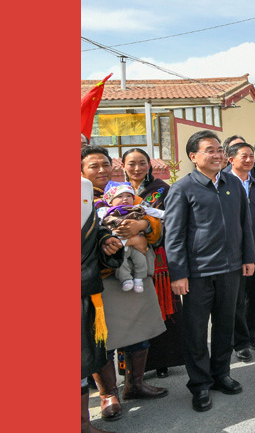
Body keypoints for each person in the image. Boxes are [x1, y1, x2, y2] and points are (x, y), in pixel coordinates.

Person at [165, 131, 255, 412]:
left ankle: (221, 374)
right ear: (194, 157)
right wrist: (178, 274)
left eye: (219, 150)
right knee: (195, 331)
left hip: (230, 269)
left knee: (225, 326)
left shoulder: (233, 184)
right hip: (197, 273)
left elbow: (245, 224)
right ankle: (200, 384)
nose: (217, 155)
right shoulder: (182, 189)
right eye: (210, 150)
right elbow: (174, 235)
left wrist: (248, 257)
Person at [82, 146, 168, 422]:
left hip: (136, 275)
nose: (102, 170)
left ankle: (135, 384)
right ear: (81, 171)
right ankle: (109, 393)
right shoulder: (80, 200)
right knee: (103, 337)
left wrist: (142, 228)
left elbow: (154, 223)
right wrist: (126, 240)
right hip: (102, 278)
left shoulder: (127, 194)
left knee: (139, 332)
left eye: (105, 164)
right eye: (94, 166)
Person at [121, 147, 185, 379]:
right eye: (131, 163)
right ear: (123, 166)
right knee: (131, 311)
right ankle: (133, 368)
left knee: (162, 309)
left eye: (142, 163)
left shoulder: (161, 190)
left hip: (158, 258)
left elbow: (175, 220)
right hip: (126, 259)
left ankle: (163, 361)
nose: (137, 168)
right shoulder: (118, 191)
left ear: (149, 165)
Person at [223, 142, 255, 362]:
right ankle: (239, 342)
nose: (249, 160)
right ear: (230, 159)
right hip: (235, 251)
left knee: (254, 296)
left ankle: (252, 334)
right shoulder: (223, 184)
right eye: (244, 156)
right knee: (237, 299)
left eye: (251, 156)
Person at [82, 176, 124, 433]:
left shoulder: (83, 186)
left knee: (83, 356)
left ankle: (82, 423)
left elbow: (90, 230)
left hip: (84, 287)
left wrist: (105, 239)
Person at [97, 181, 159, 293]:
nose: (125, 199)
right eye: (120, 196)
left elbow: (157, 218)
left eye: (129, 196)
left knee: (140, 261)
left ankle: (139, 280)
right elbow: (96, 226)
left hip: (138, 250)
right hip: (114, 256)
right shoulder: (102, 209)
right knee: (121, 262)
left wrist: (143, 225)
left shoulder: (138, 206)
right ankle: (126, 280)